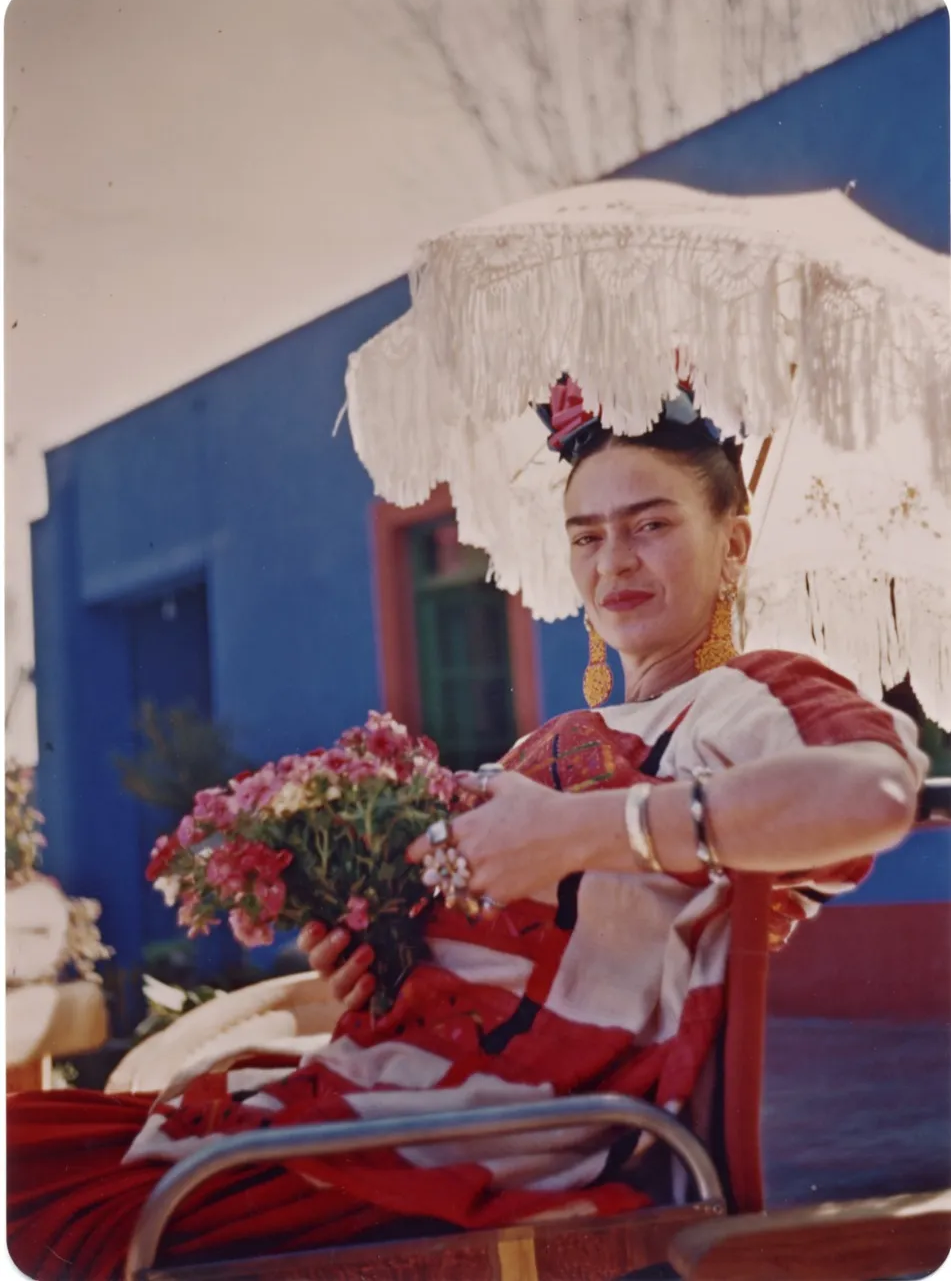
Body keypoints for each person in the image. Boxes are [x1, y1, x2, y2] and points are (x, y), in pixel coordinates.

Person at [8, 375, 927, 1281]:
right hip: (413, 1089)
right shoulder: (544, 746)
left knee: (64, 1196)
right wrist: (386, 964)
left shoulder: (748, 696)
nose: (613, 561)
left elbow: (875, 793)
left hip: (508, 1138)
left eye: (650, 524)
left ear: (733, 547)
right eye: (586, 535)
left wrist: (580, 832)